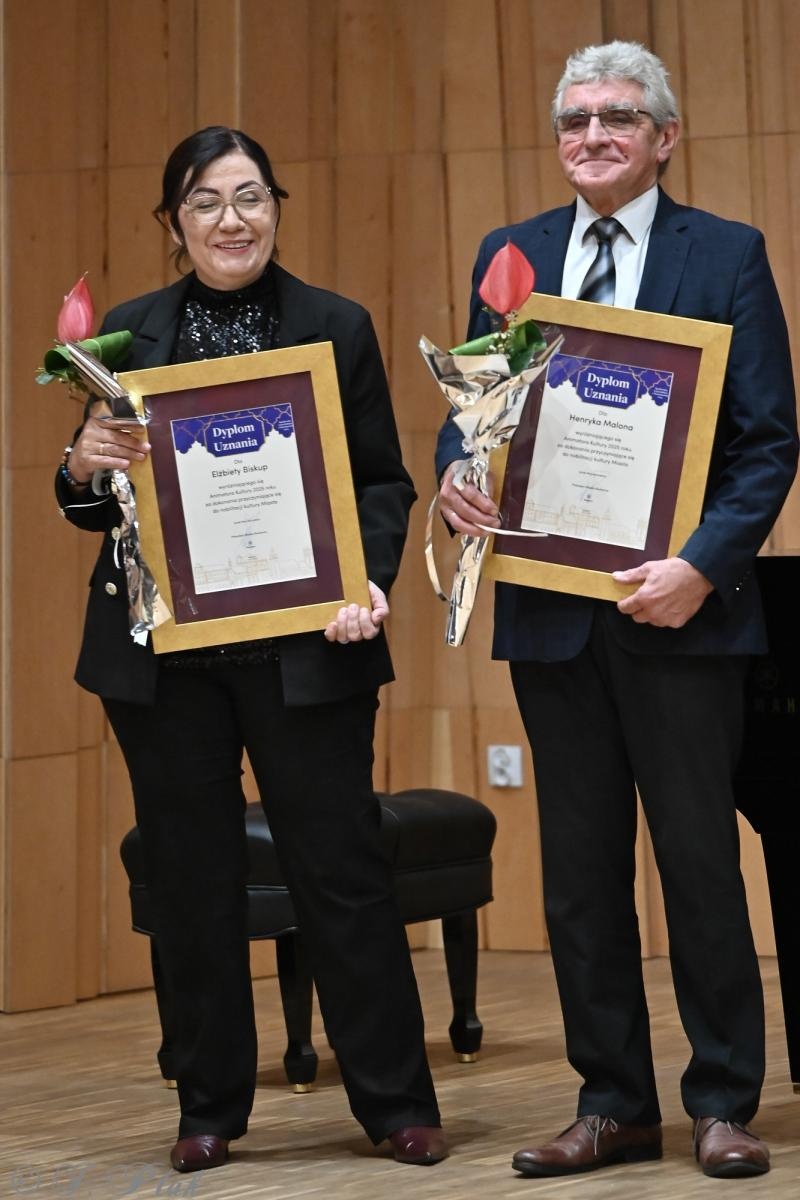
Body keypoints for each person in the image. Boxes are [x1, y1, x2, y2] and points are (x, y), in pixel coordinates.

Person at [436, 41, 798, 1181]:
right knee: (580, 878)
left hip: (682, 616)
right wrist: (456, 479)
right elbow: (474, 413)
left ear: (663, 138)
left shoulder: (725, 254)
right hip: (552, 618)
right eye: (574, 119)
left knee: (698, 866)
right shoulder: (513, 256)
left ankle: (722, 1103)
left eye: (617, 117)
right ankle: (612, 1105)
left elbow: (767, 442)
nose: (591, 135)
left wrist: (697, 567)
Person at [56, 126, 447, 1175]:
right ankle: (209, 1107)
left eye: (250, 197)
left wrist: (367, 580)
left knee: (342, 874)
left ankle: (395, 1103)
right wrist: (84, 463)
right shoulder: (129, 335)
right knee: (192, 884)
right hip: (165, 664)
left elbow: (381, 482)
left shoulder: (335, 324)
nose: (231, 220)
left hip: (305, 650)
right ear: (173, 222)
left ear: (275, 207)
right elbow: (91, 506)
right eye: (206, 202)